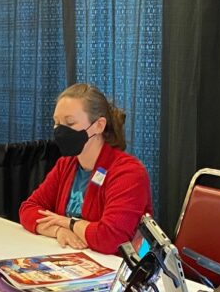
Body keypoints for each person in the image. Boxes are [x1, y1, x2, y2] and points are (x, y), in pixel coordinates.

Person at [19, 83, 153, 255]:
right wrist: (59, 230)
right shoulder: (65, 165)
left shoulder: (129, 172)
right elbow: (28, 209)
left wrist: (69, 223)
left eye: (70, 122)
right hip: (73, 259)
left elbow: (111, 239)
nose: (60, 130)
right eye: (56, 122)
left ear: (98, 125)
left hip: (117, 269)